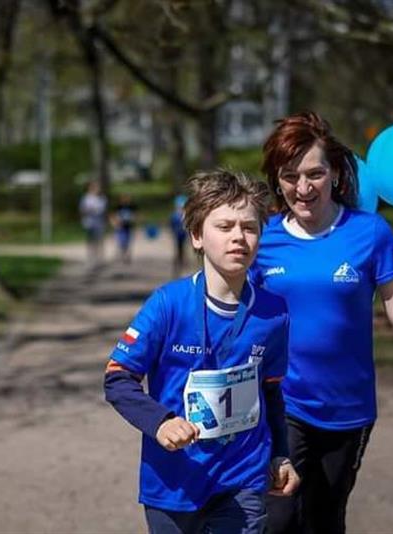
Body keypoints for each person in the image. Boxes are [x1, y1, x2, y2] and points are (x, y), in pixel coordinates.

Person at [249, 111, 393, 534]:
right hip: (281, 404)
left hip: (347, 408)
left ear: (336, 173)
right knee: (278, 520)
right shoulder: (262, 238)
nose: (303, 188)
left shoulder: (369, 232)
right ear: (277, 180)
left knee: (324, 520)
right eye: (290, 177)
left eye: (315, 174)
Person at [104, 170, 300, 534]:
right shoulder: (168, 304)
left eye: (249, 227)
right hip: (174, 481)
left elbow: (271, 391)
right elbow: (117, 378)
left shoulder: (274, 313)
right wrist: (160, 422)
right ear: (196, 236)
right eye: (224, 227)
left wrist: (280, 454)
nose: (238, 237)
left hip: (243, 477)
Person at [79, 181, 108, 268]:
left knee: (99, 240)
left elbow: (102, 209)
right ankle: (91, 258)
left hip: (99, 220)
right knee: (90, 240)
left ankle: (100, 258)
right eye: (94, 187)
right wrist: (88, 211)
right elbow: (82, 209)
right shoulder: (86, 198)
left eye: (97, 187)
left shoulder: (102, 198)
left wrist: (92, 209)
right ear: (90, 188)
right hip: (89, 221)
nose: (97, 189)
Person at [111, 193, 138, 264]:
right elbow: (112, 216)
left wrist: (134, 219)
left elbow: (136, 215)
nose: (125, 200)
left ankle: (126, 255)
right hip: (120, 226)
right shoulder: (118, 207)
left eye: (127, 198)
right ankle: (124, 254)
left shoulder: (132, 207)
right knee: (122, 242)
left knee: (128, 242)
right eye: (124, 198)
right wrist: (115, 223)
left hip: (129, 226)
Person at [169, 194, 188, 276]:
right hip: (177, 235)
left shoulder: (185, 216)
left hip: (183, 235)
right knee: (178, 249)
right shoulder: (175, 216)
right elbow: (171, 225)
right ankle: (178, 264)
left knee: (183, 249)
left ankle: (182, 262)